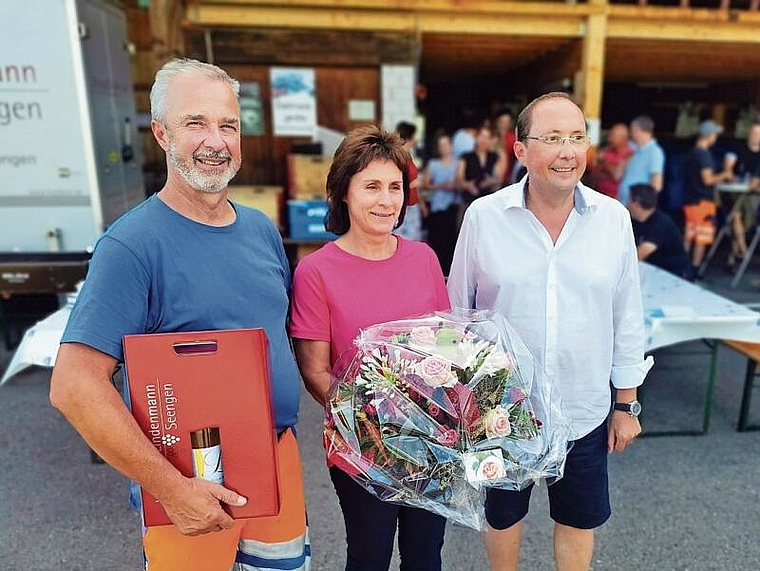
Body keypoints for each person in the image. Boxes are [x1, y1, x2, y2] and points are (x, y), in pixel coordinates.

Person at [49, 59, 309, 571]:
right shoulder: (131, 244)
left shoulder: (260, 231)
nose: (216, 140)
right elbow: (74, 386)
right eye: (196, 123)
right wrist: (169, 488)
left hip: (277, 460)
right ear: (161, 134)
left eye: (228, 125)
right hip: (186, 479)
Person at [447, 92, 653, 571]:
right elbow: (459, 314)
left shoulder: (613, 219)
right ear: (520, 150)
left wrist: (626, 403)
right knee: (500, 519)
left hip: (584, 409)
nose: (568, 150)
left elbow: (628, 316)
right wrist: (460, 406)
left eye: (577, 137)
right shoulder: (483, 217)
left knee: (579, 520)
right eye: (553, 138)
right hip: (498, 412)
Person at [289, 125, 450, 571]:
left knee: (425, 555)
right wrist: (376, 424)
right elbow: (316, 373)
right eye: (371, 186)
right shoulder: (316, 271)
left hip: (431, 439)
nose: (386, 200)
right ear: (343, 192)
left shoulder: (423, 259)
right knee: (370, 555)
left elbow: (446, 348)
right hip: (361, 444)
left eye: (395, 187)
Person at [682, 119, 733, 278]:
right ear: (709, 135)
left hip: (690, 200)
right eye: (715, 134)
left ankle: (683, 266)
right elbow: (708, 179)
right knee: (701, 238)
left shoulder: (691, 153)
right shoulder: (704, 155)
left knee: (689, 236)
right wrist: (725, 173)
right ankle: (695, 271)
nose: (716, 137)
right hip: (703, 201)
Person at [628, 183, 690, 278]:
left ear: (636, 204)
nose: (627, 203)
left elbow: (640, 253)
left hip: (673, 274)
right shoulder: (635, 220)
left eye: (629, 199)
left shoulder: (661, 223)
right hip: (653, 269)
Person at [724, 120, 760, 271]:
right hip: (734, 192)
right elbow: (728, 168)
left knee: (739, 218)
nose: (754, 136)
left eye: (758, 134)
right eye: (753, 133)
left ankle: (733, 256)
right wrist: (731, 176)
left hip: (753, 195)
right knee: (736, 215)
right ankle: (744, 251)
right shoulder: (737, 147)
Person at [423, 133, 459, 275]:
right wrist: (440, 186)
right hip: (437, 206)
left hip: (452, 206)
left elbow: (461, 182)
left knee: (451, 239)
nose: (444, 148)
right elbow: (426, 184)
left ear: (451, 146)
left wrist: (454, 186)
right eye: (441, 145)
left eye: (446, 144)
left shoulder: (458, 163)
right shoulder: (433, 164)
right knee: (437, 239)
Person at [456, 125, 506, 227]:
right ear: (476, 137)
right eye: (481, 136)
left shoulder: (494, 156)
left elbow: (499, 178)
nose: (484, 140)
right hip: (468, 200)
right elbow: (459, 178)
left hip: (489, 202)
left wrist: (490, 181)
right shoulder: (466, 156)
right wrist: (467, 185)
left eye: (487, 137)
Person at [618, 115, 665, 206]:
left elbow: (656, 185)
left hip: (637, 207)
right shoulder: (636, 150)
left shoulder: (655, 152)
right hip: (625, 204)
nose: (631, 134)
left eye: (632, 130)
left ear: (638, 130)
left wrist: (640, 204)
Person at [394, 120, 427, 241]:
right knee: (403, 237)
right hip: (403, 203)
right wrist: (413, 184)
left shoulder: (408, 155)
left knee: (414, 237)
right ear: (410, 137)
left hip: (413, 203)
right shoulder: (397, 157)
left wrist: (421, 203)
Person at [593, 123, 634, 199]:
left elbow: (616, 175)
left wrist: (605, 161)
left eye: (613, 135)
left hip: (616, 198)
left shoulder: (629, 155)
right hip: (600, 194)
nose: (610, 138)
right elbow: (595, 171)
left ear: (624, 138)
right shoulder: (608, 150)